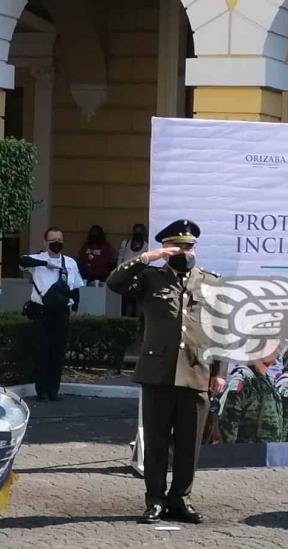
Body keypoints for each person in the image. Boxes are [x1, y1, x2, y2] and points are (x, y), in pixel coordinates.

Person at [106, 219, 226, 525]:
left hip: (197, 371)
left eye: (189, 247)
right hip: (158, 372)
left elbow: (220, 330)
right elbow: (115, 283)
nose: (185, 251)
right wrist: (149, 257)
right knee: (157, 442)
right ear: (168, 249)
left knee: (189, 444)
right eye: (179, 247)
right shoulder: (151, 278)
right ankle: (155, 500)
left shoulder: (211, 282)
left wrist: (218, 371)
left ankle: (180, 499)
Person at [19, 227, 84, 402]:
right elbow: (22, 261)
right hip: (42, 312)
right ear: (46, 242)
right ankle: (42, 390)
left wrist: (75, 307)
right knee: (42, 351)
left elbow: (75, 287)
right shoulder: (38, 259)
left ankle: (54, 389)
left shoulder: (70, 263)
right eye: (53, 240)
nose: (57, 243)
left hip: (61, 312)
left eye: (59, 239)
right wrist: (45, 264)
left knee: (58, 352)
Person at [219, 353, 283, 444]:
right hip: (247, 452)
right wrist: (232, 453)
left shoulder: (270, 382)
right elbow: (228, 420)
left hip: (268, 453)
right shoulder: (243, 378)